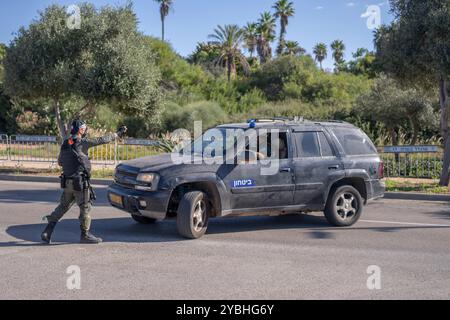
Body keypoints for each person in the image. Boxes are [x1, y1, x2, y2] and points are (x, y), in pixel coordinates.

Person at [41, 120, 127, 244]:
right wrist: (117, 134)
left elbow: (60, 162)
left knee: (62, 207)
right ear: (81, 130)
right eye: (84, 128)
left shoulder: (66, 143)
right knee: (85, 208)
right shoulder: (82, 142)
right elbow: (101, 140)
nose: (85, 131)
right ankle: (85, 235)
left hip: (67, 182)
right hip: (79, 183)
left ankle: (47, 232)